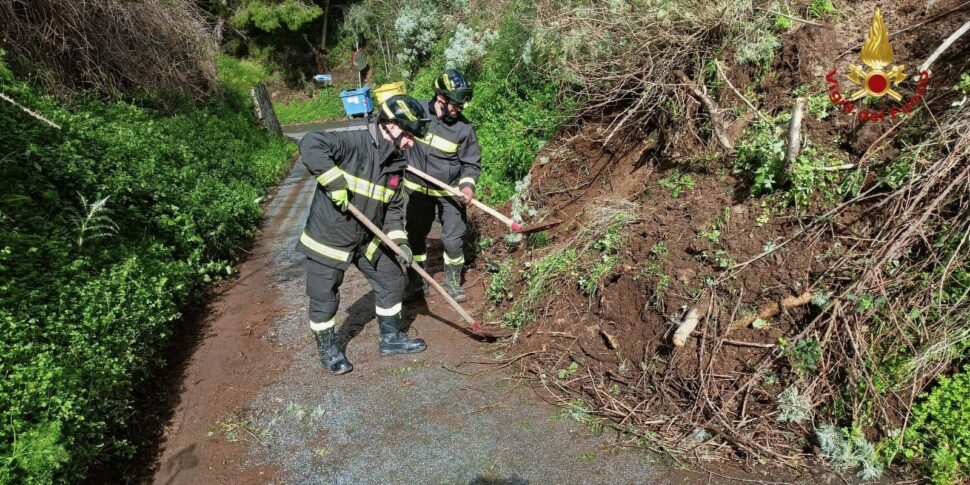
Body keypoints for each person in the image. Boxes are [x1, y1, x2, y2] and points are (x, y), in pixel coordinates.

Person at [297, 95, 429, 375]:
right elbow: (311, 142)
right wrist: (332, 180)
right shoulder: (353, 143)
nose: (410, 143)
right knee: (324, 297)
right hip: (329, 238)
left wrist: (400, 242)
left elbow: (393, 210)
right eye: (408, 135)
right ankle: (328, 349)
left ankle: (391, 338)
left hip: (366, 239)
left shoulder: (396, 166)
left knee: (392, 278)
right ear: (391, 126)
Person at [403, 69, 481, 303]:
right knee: (415, 237)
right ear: (440, 98)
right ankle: (417, 282)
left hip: (449, 192)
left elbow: (471, 164)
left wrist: (467, 187)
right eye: (455, 104)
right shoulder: (415, 112)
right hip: (417, 190)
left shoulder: (464, 129)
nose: (459, 110)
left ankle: (453, 282)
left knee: (452, 239)